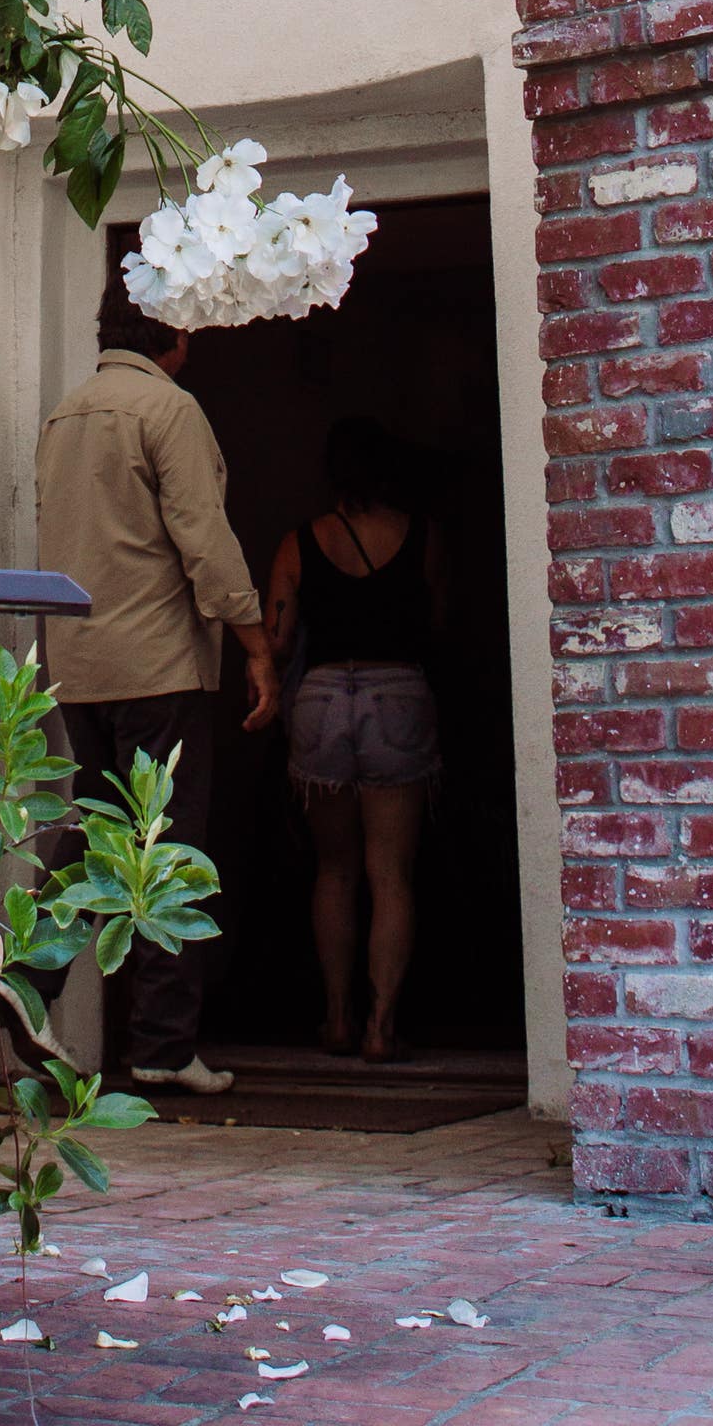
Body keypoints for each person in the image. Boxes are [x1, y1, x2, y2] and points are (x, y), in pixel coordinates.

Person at [34, 283, 281, 1096]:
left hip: (78, 661)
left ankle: (28, 982)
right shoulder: (169, 410)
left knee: (99, 828)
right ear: (173, 333)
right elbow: (205, 543)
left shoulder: (66, 414)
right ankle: (164, 1047)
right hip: (156, 663)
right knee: (165, 844)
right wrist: (256, 643)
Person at [263, 415, 442, 1063]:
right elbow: (439, 623)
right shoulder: (420, 535)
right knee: (390, 873)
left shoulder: (299, 543)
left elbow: (277, 642)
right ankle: (381, 1027)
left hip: (320, 703)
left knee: (333, 870)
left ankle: (336, 1018)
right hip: (397, 696)